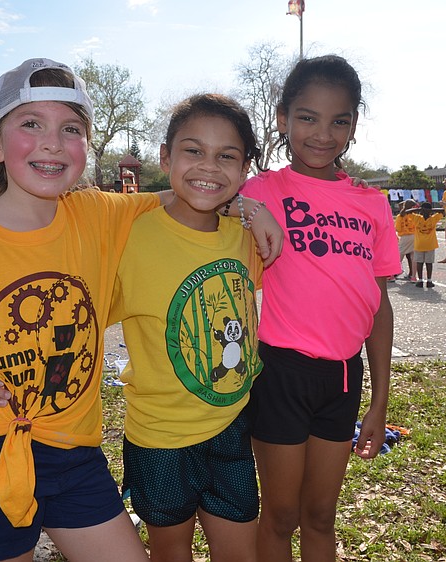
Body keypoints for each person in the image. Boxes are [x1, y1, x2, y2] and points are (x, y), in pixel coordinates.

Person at [0, 58, 282, 562]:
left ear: (84, 148)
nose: (52, 142)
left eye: (70, 129)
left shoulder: (98, 213)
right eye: (31, 124)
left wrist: (246, 206)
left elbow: (185, 193)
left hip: (75, 453)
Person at [240, 54, 400, 562]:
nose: (322, 134)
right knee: (281, 515)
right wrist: (244, 206)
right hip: (280, 372)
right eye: (307, 118)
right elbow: (200, 195)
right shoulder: (262, 189)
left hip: (343, 378)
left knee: (321, 516)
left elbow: (378, 305)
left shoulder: (372, 204)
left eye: (340, 120)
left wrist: (380, 400)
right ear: (283, 119)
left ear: (354, 125)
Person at [111, 94, 265, 562]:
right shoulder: (129, 237)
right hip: (159, 439)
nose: (209, 167)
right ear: (166, 157)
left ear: (243, 172)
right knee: (170, 553)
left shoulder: (247, 239)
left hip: (231, 429)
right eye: (193, 151)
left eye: (227, 156)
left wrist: (254, 212)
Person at [403, 202, 443, 287]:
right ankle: (429, 280)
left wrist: (420, 210)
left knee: (420, 263)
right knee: (428, 263)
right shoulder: (433, 218)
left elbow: (407, 211)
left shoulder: (417, 218)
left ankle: (421, 280)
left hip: (420, 244)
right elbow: (443, 211)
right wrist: (430, 210)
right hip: (429, 245)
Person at [394, 199, 418, 281]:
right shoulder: (414, 215)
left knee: (399, 256)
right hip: (414, 236)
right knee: (413, 256)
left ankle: (392, 274)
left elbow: (397, 228)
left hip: (404, 237)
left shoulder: (400, 216)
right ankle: (414, 276)